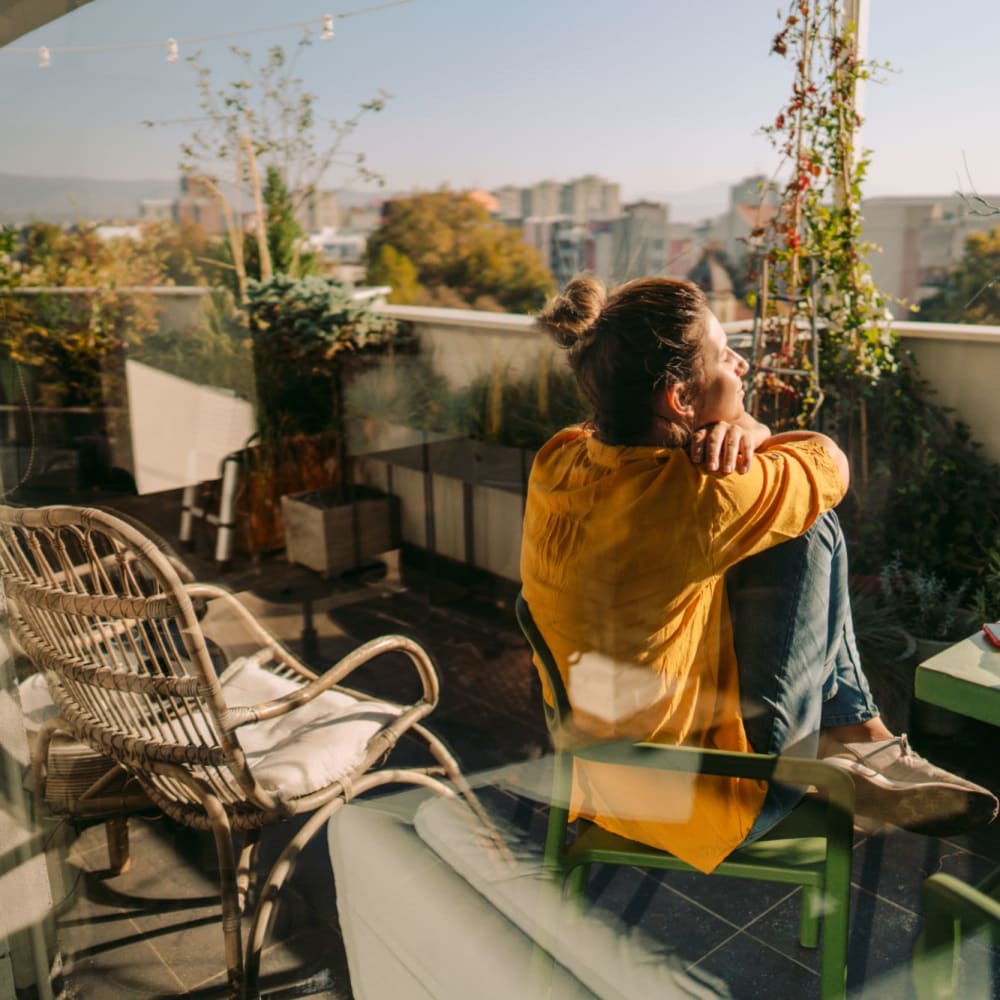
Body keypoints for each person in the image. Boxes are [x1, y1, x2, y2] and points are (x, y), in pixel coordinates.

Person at [519, 275, 997, 874]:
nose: (741, 364)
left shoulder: (559, 457)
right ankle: (855, 740)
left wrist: (741, 431)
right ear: (680, 400)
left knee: (770, 529)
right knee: (810, 526)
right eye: (724, 355)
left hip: (596, 780)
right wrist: (751, 432)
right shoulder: (702, 497)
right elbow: (830, 466)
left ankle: (858, 741)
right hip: (706, 796)